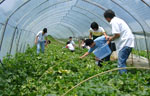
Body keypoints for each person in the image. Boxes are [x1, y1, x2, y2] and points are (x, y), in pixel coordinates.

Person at [104, 9, 135, 74]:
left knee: (120, 64)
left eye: (106, 19)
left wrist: (111, 39)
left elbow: (117, 34)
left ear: (107, 18)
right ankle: (125, 76)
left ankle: (124, 80)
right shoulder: (119, 20)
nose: (107, 21)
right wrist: (111, 37)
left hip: (125, 43)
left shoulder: (113, 21)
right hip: (128, 43)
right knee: (122, 62)